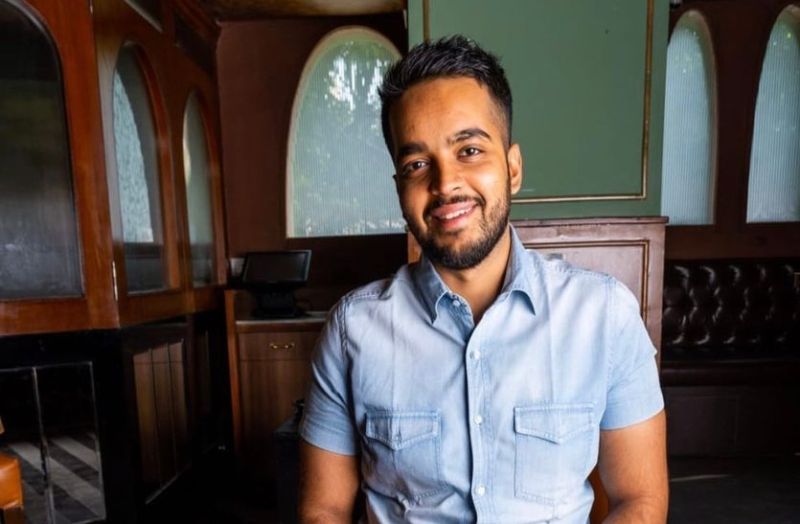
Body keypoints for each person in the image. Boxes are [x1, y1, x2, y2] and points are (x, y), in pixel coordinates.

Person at [298, 35, 667, 523]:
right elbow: (323, 509)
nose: (445, 183)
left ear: (512, 168)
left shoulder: (605, 316)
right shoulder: (351, 332)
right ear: (399, 187)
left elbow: (639, 500)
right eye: (416, 164)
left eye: (469, 150)